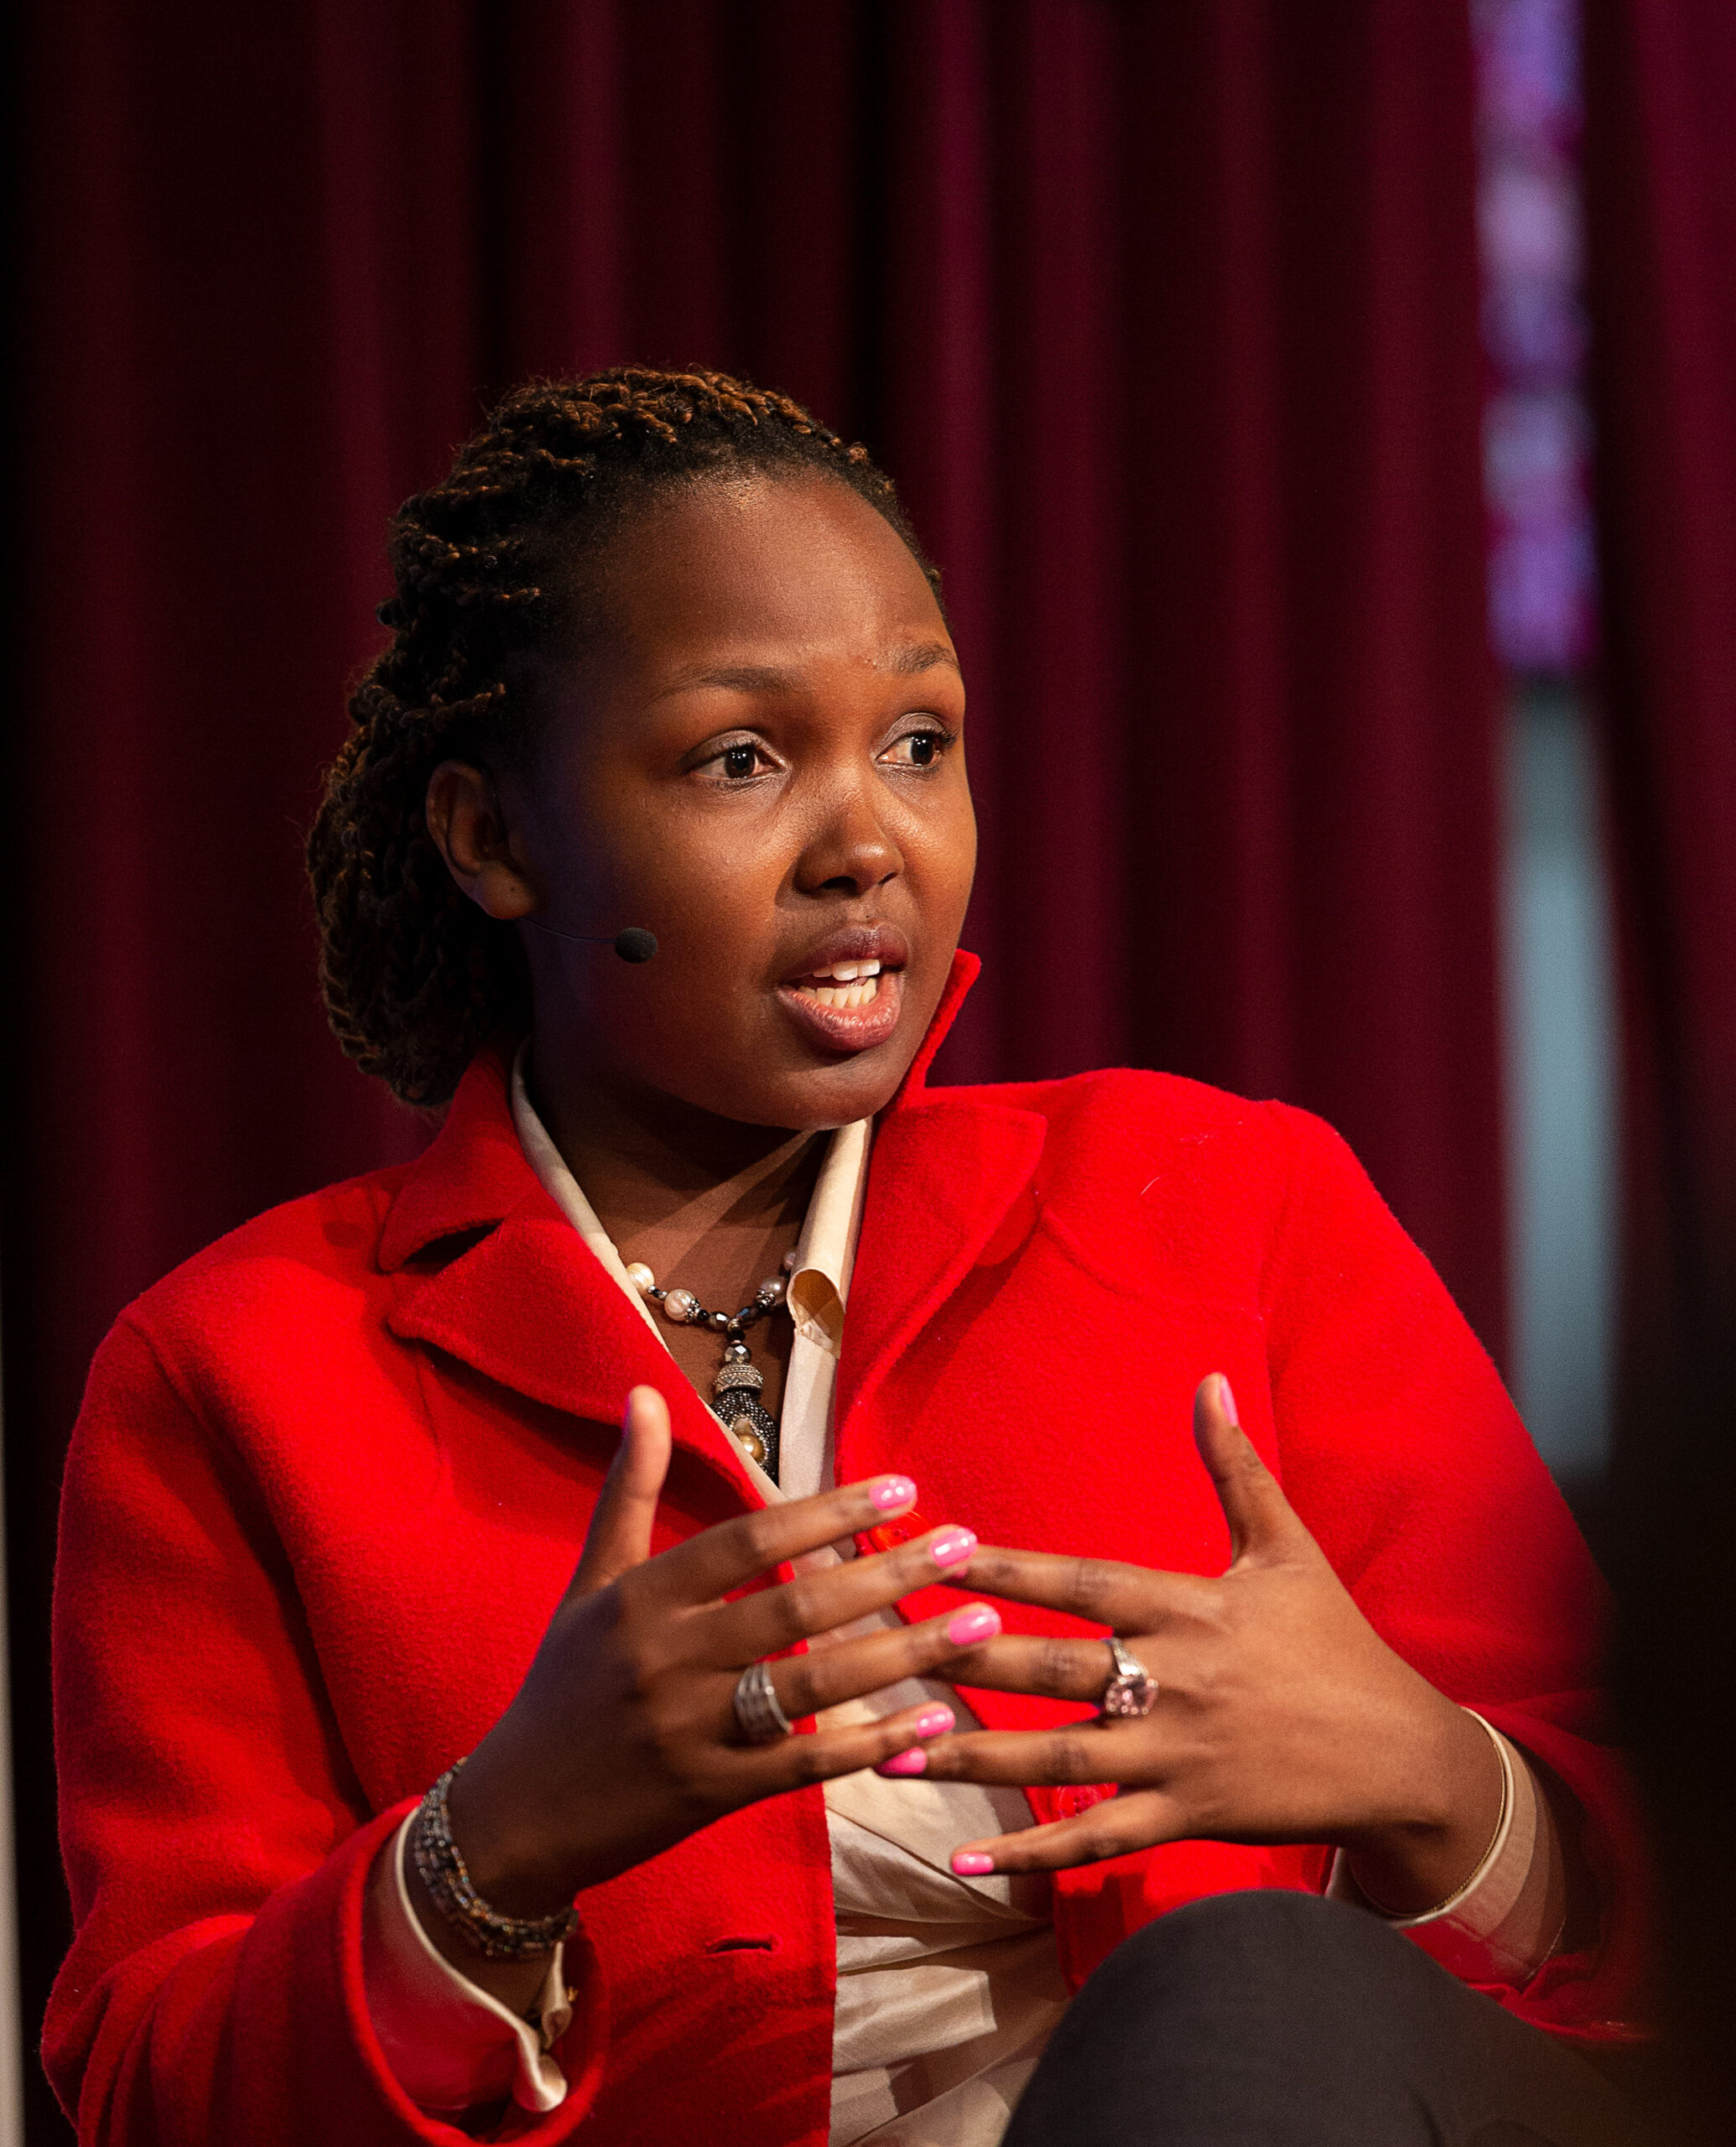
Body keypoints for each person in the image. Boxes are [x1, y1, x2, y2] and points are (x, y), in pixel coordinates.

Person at [46, 368, 1647, 2146]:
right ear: (493, 836)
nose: (869, 839)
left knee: (1244, 1982)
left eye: (920, 742)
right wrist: (484, 1847)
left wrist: (1427, 1774)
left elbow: (1666, 1920)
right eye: (741, 757)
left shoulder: (1227, 1196)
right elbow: (141, 2091)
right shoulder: (236, 1369)